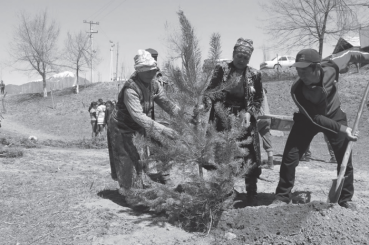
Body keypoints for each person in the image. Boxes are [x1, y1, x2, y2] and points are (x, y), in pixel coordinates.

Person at [271, 49, 359, 210]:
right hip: (308, 118)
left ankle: (345, 198)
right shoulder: (297, 90)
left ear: (316, 67)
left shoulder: (331, 67)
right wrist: (343, 128)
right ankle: (282, 196)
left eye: (304, 71)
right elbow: (316, 119)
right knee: (290, 156)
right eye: (298, 70)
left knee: (345, 157)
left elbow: (351, 54)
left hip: (334, 114)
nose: (301, 75)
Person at [107, 49, 179, 193]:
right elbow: (138, 116)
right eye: (148, 71)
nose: (152, 73)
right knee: (126, 160)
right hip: (121, 127)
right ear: (139, 71)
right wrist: (164, 129)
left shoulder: (154, 85)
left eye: (154, 70)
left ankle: (138, 188)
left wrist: (184, 116)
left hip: (138, 127)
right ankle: (127, 193)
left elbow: (167, 104)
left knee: (140, 159)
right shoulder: (131, 88)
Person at [203, 38, 263, 206]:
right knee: (224, 154)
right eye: (239, 56)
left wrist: (250, 113)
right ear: (233, 54)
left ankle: (251, 192)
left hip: (245, 120)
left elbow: (257, 99)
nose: (242, 60)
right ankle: (225, 192)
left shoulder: (255, 75)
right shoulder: (222, 69)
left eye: (245, 58)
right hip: (222, 117)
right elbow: (210, 92)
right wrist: (206, 103)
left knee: (248, 155)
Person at [258, 88, 274, 170]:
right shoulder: (263, 90)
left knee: (249, 137)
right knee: (267, 140)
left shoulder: (257, 89)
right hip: (268, 117)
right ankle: (270, 163)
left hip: (260, 117)